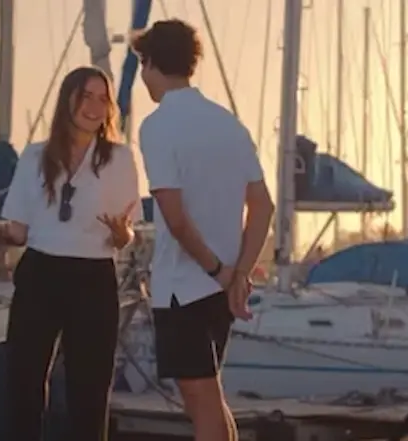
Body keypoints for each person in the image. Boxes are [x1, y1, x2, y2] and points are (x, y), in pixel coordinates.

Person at [132, 19, 276, 441]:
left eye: (142, 65)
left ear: (152, 63)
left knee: (202, 403)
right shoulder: (229, 124)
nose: (142, 77)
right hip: (220, 287)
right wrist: (239, 273)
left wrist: (219, 272)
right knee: (210, 400)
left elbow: (175, 219)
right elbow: (263, 206)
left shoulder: (157, 126)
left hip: (184, 286)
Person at [0, 66, 140, 441]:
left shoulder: (119, 159)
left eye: (103, 99)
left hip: (94, 278)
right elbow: (19, 230)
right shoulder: (35, 156)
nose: (95, 106)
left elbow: (125, 234)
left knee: (90, 393)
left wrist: (122, 233)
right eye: (87, 96)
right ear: (68, 99)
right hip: (40, 273)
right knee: (25, 385)